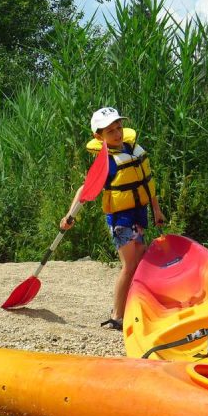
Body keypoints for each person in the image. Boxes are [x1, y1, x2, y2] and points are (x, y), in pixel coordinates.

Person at [60, 107, 165, 331]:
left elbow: (148, 182)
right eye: (110, 131)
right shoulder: (107, 163)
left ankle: (136, 305)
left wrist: (156, 210)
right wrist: (70, 215)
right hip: (121, 220)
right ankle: (117, 316)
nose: (117, 134)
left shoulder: (133, 150)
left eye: (119, 127)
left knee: (140, 262)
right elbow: (85, 189)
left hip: (139, 215)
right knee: (129, 266)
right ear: (99, 137)